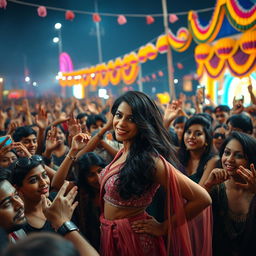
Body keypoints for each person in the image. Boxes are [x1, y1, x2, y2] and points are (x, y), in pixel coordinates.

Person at [98, 91, 212, 256]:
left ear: (143, 123)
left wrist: (164, 227)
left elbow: (202, 198)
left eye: (131, 119)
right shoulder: (123, 151)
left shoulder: (151, 161)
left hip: (135, 241)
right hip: (112, 236)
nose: (121, 123)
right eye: (118, 115)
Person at [203, 131, 256, 256]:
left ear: (251, 161)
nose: (230, 160)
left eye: (239, 156)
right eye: (227, 153)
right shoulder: (216, 190)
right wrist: (208, 186)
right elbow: (193, 222)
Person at [178, 115, 218, 184]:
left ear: (207, 139)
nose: (191, 137)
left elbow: (201, 192)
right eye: (188, 132)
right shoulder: (177, 154)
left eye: (198, 134)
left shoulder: (213, 161)